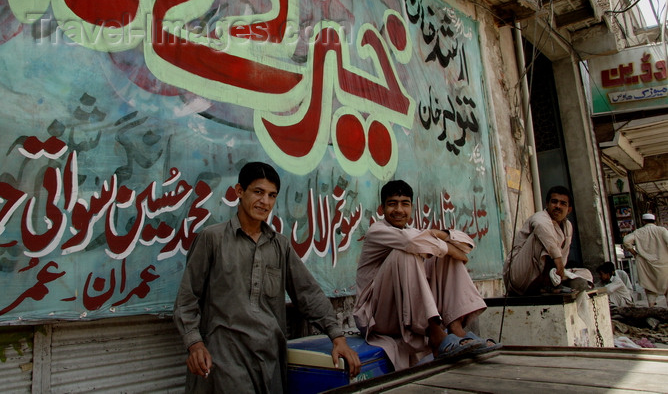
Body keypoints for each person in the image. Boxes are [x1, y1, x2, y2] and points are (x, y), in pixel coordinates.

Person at [173, 162, 361, 393]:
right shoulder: (212, 239)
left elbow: (308, 294)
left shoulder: (279, 245)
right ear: (239, 192)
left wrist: (337, 338)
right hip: (225, 359)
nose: (265, 202)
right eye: (258, 192)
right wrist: (195, 344)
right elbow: (186, 299)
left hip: (270, 360)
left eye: (272, 196)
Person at [353, 180, 499, 371]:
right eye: (392, 204)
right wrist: (450, 248)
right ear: (382, 208)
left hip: (403, 314)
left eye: (404, 204)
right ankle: (436, 334)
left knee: (440, 257)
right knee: (407, 251)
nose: (399, 210)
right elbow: (412, 242)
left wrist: (440, 236)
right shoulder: (377, 231)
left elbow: (466, 244)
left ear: (412, 208)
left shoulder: (414, 232)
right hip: (376, 316)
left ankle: (456, 328)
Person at [504, 185, 593, 295]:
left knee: (585, 275)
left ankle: (551, 284)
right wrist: (557, 258)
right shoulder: (540, 217)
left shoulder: (568, 226)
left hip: (542, 277)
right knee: (542, 235)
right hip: (519, 276)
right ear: (547, 204)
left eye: (563, 203)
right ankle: (547, 285)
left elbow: (564, 255)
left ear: (569, 209)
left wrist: (559, 272)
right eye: (554, 202)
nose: (558, 206)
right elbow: (541, 226)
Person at [623, 213, 668, 307]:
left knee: (650, 287)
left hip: (645, 264)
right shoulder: (661, 230)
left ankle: (651, 308)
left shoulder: (638, 232)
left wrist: (634, 253)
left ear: (643, 221)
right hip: (664, 264)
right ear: (654, 221)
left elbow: (626, 241)